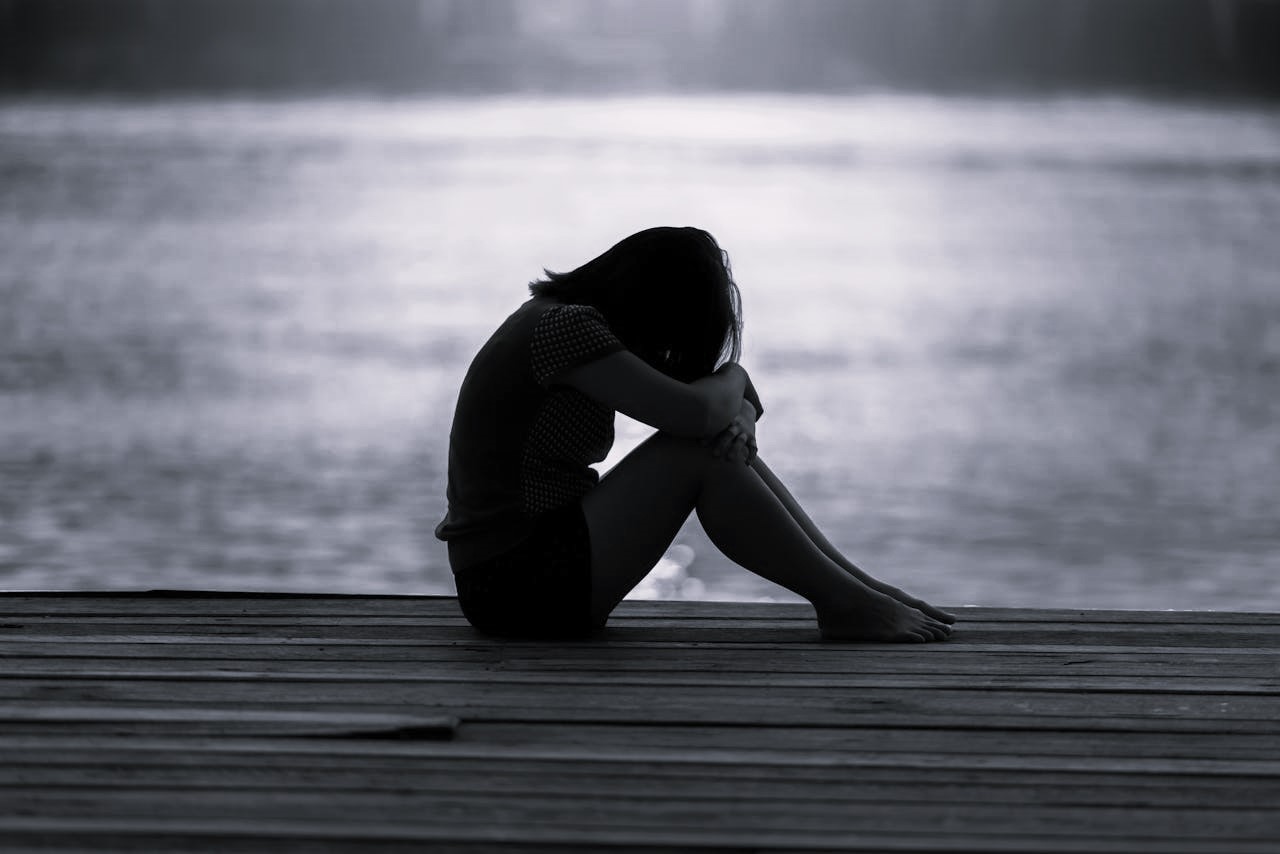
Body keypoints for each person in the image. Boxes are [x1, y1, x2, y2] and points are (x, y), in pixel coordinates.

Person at [435, 226, 955, 642]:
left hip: (523, 575)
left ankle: (858, 590)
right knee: (695, 451)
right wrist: (733, 378)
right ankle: (847, 602)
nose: (668, 352)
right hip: (514, 585)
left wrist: (741, 417)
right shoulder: (566, 329)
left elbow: (721, 407)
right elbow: (700, 412)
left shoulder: (567, 324)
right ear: (654, 303)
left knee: (708, 444)